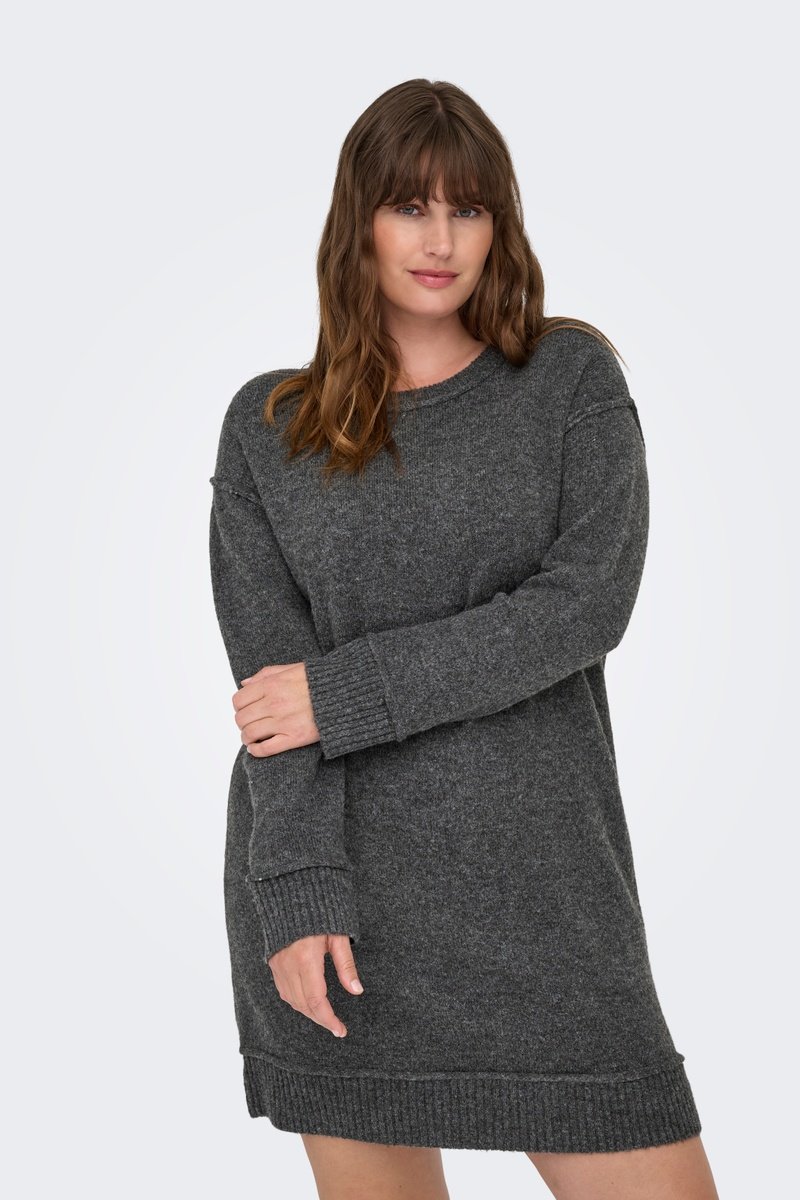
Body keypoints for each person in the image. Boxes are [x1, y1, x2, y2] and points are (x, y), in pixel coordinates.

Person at [208, 79, 720, 1200]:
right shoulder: (269, 428)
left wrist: (345, 695)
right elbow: (268, 696)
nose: (440, 240)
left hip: (546, 895)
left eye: (468, 209)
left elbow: (583, 606)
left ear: (500, 225)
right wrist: (296, 896)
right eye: (408, 206)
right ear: (358, 222)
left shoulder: (569, 381)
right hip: (342, 909)